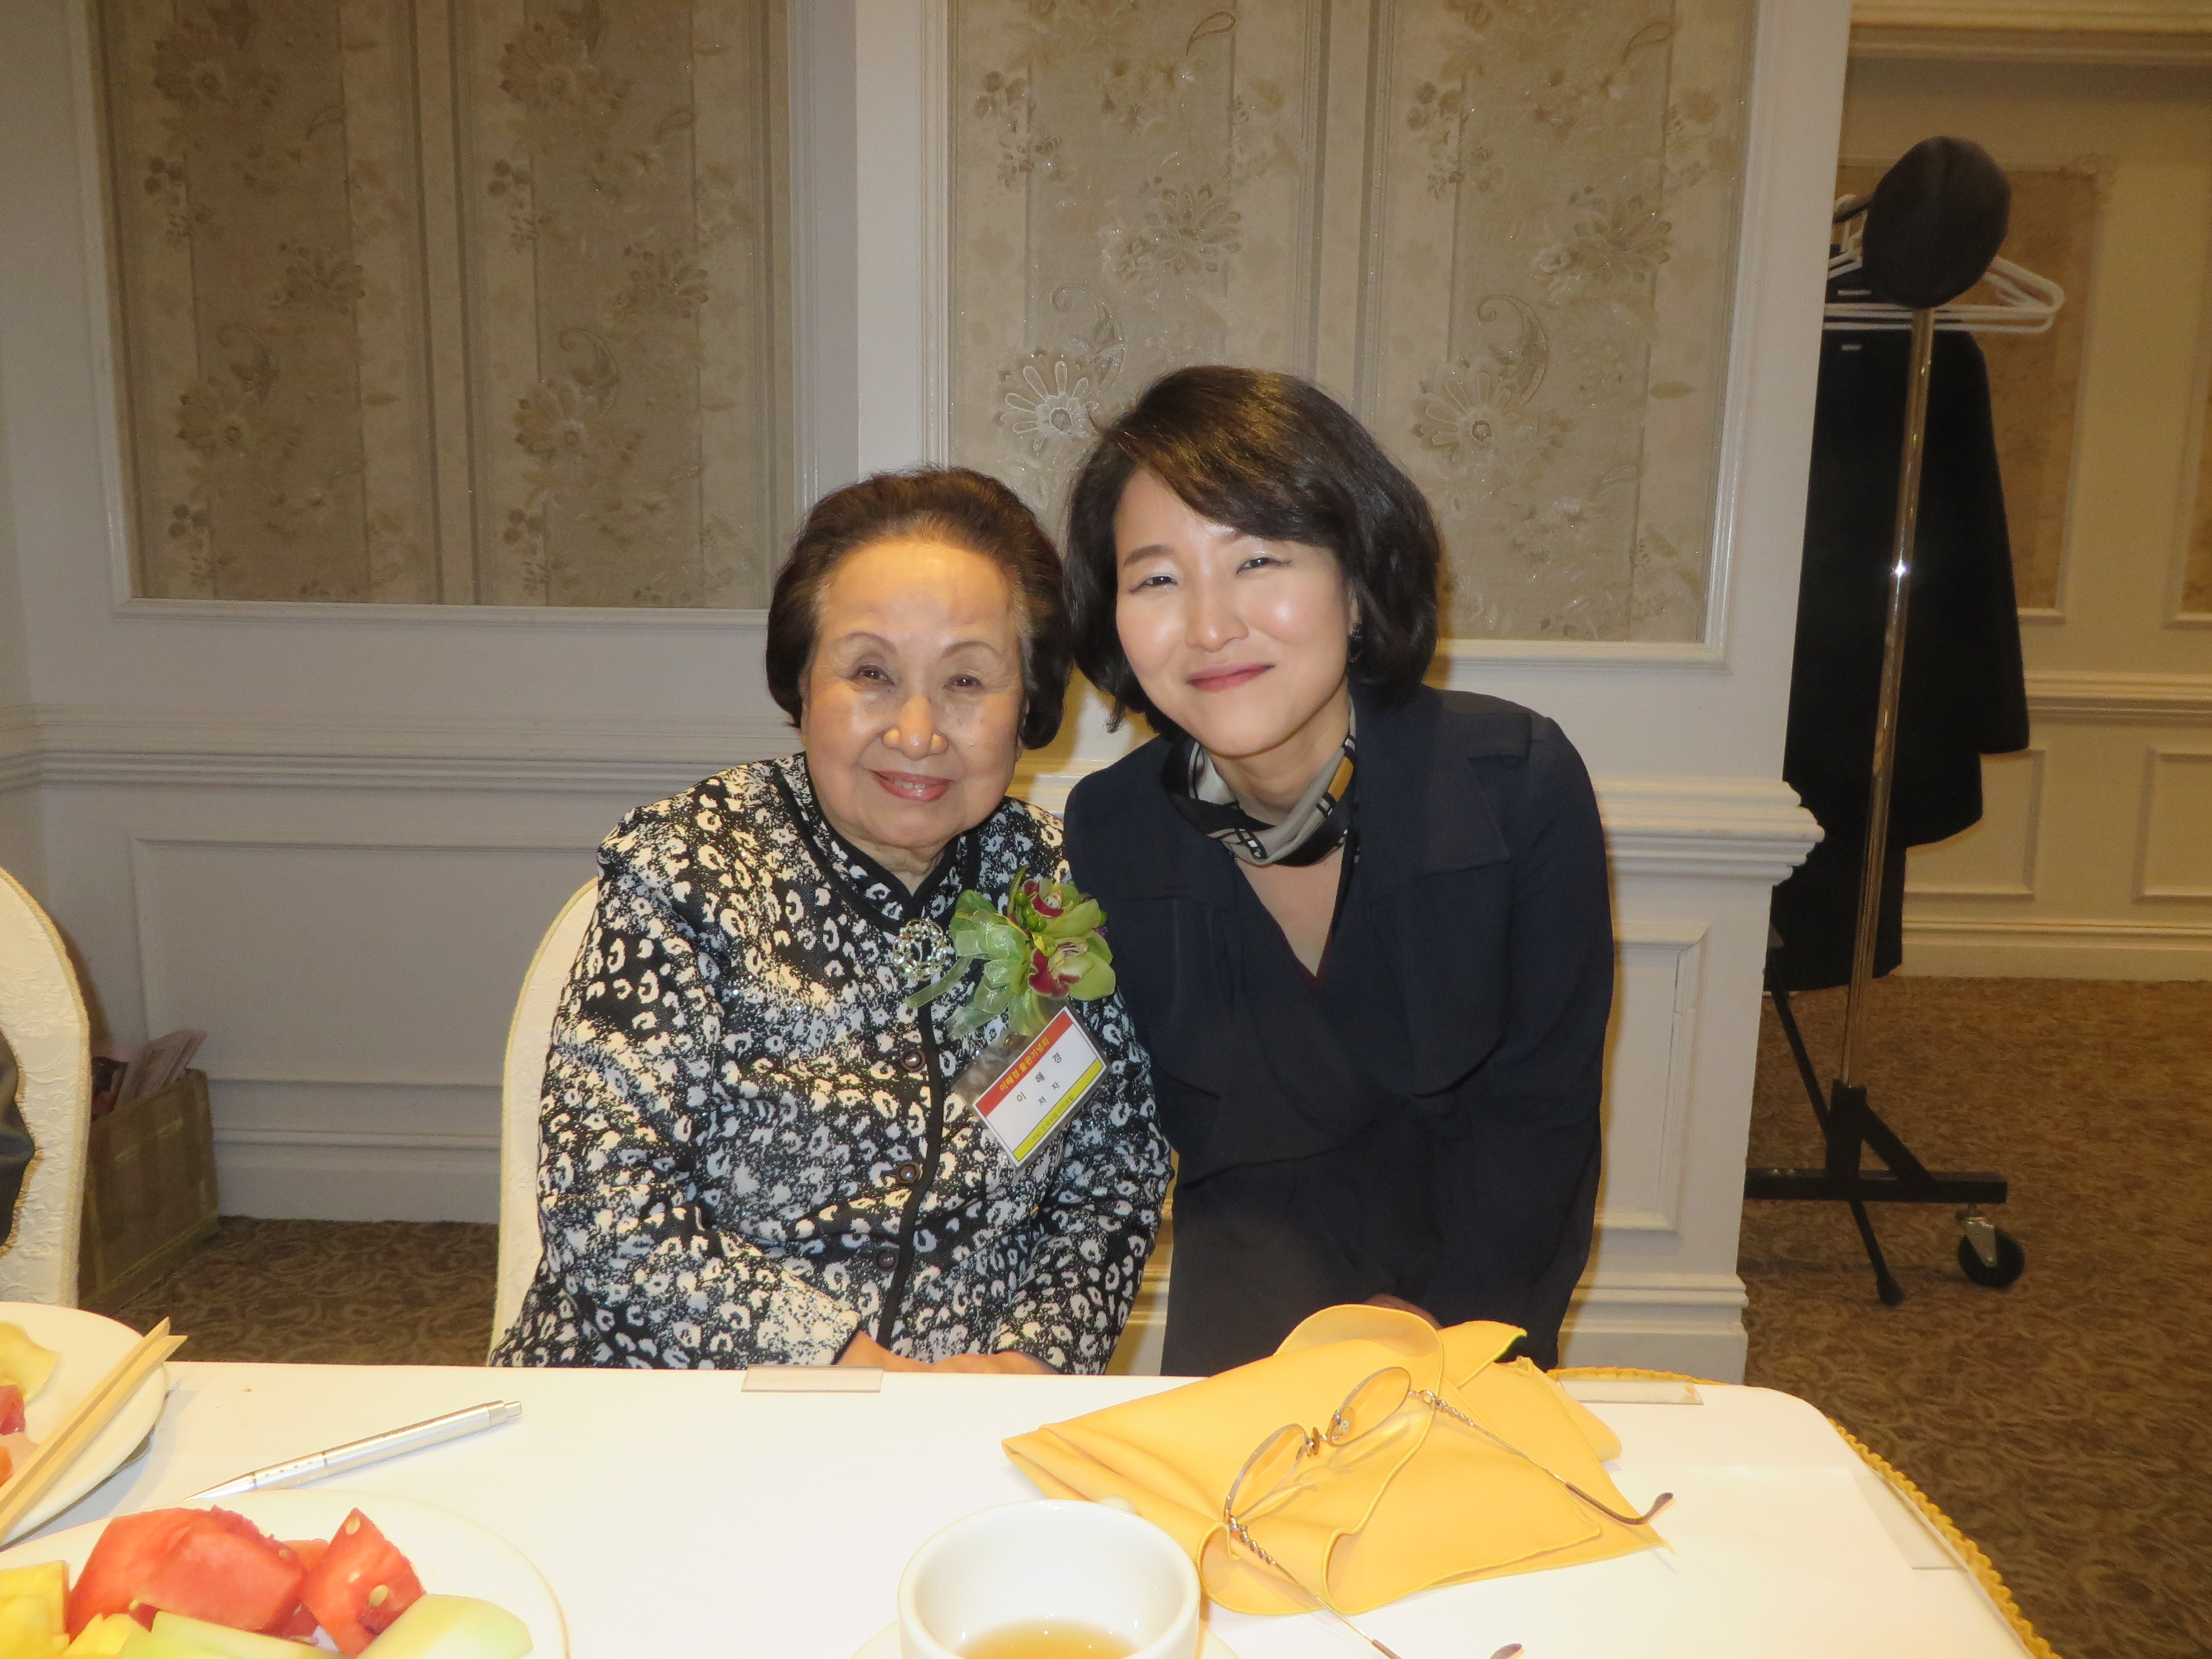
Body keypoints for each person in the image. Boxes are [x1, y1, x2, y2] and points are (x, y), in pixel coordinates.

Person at [495, 468, 1171, 1374]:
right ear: (804, 684)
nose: (918, 731)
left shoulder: (1062, 887)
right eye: (872, 674)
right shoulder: (691, 870)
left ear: (1029, 707)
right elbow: (605, 1210)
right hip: (668, 1408)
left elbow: (1111, 1181)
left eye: (967, 679)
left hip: (962, 1414)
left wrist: (1029, 1366)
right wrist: (859, 1375)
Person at [1061, 367, 1613, 1376]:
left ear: (1357, 585)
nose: (1211, 625)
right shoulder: (1112, 830)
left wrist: (1439, 1328)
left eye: (1257, 559)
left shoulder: (1514, 784)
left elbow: (1541, 1111)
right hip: (1254, 1282)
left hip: (1481, 1268)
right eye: (1157, 579)